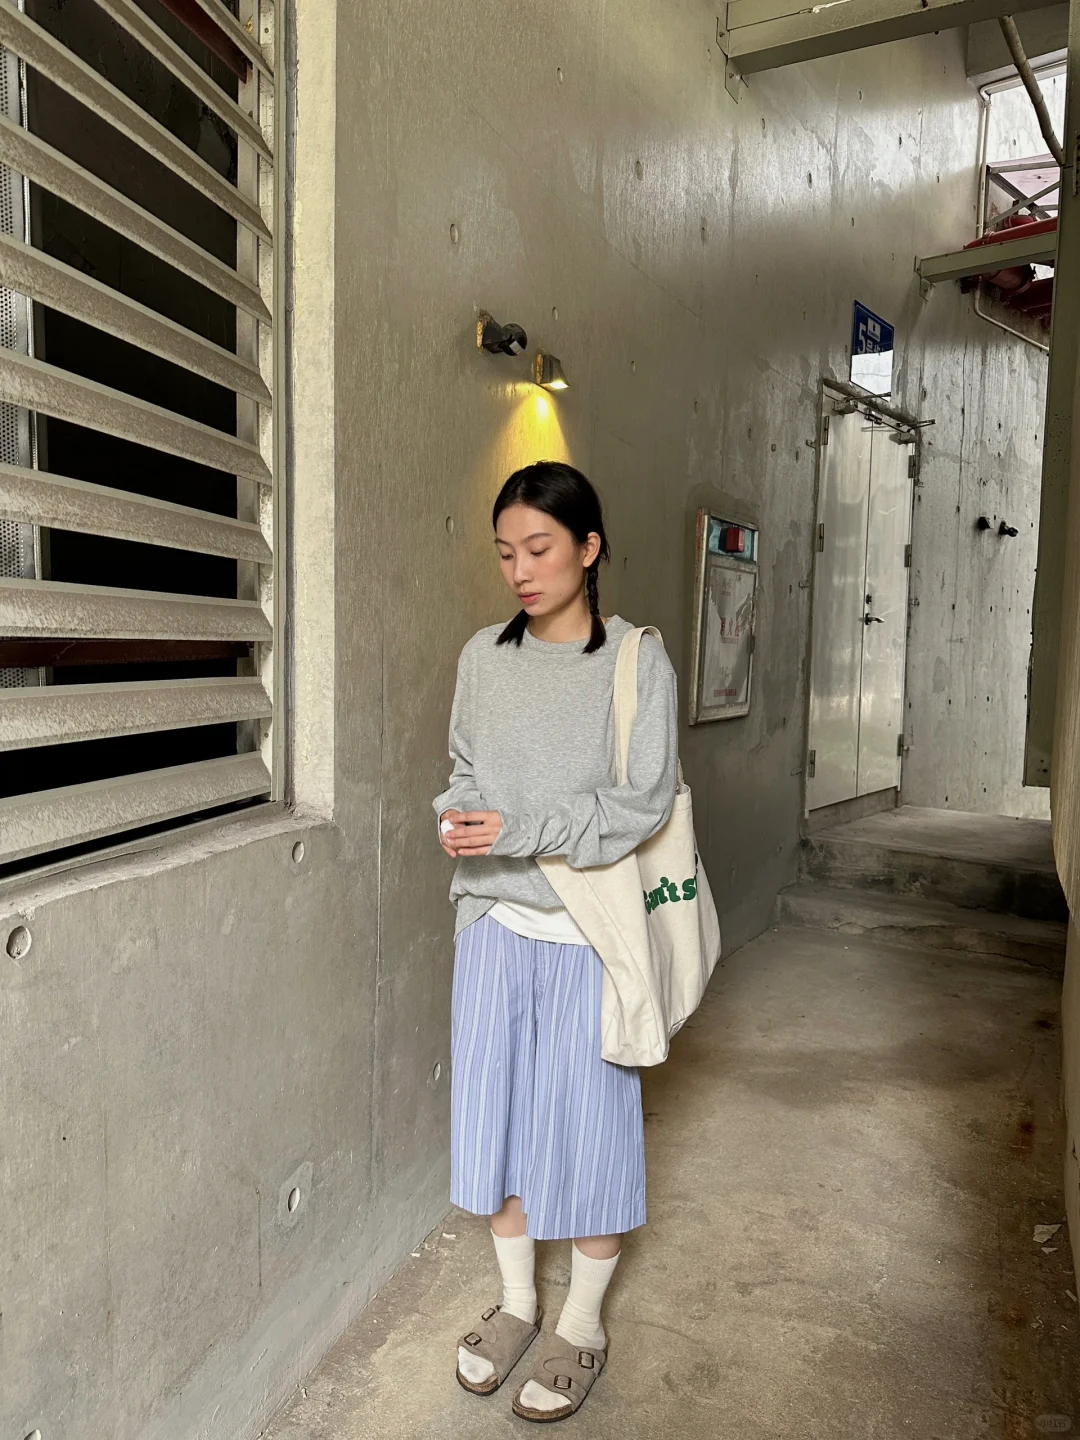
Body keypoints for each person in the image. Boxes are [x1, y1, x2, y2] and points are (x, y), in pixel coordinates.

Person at [432, 460, 679, 1422]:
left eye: (539, 548)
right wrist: (457, 817)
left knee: (590, 1134)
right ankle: (517, 1305)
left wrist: (521, 827)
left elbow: (640, 804)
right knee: (495, 1124)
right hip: (492, 923)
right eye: (505, 553)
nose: (521, 571)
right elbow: (463, 768)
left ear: (589, 547)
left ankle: (581, 1326)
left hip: (588, 932)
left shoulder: (635, 664)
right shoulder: (482, 657)